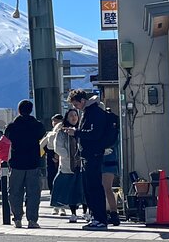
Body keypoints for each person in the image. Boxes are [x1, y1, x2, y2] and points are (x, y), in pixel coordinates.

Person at [64, 89, 108, 230]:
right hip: (88, 155)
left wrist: (76, 132)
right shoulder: (88, 112)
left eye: (76, 104)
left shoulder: (93, 112)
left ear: (82, 101)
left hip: (93, 154)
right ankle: (96, 218)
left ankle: (100, 219)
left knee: (94, 187)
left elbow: (95, 134)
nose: (76, 107)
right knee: (89, 188)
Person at [4, 99, 46, 229]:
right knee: (33, 193)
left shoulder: (12, 126)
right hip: (33, 163)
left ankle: (17, 218)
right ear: (31, 110)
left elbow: (7, 137)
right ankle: (32, 220)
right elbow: (42, 134)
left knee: (15, 192)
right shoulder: (37, 125)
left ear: (19, 110)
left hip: (17, 164)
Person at [51, 108, 86, 223]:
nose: (74, 117)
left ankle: (86, 212)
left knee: (83, 190)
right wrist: (67, 155)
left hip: (82, 165)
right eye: (71, 115)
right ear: (67, 117)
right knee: (71, 190)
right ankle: (73, 213)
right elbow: (58, 147)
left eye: (75, 115)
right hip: (68, 166)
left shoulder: (81, 130)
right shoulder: (62, 132)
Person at [41, 113, 64, 216]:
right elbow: (42, 145)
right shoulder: (49, 134)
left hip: (63, 162)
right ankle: (55, 205)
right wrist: (49, 154)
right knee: (52, 182)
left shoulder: (65, 133)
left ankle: (61, 206)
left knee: (61, 182)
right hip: (51, 161)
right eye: (54, 121)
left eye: (58, 122)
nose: (56, 124)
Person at [102, 107, 120, 226]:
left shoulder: (100, 125)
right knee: (108, 188)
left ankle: (106, 214)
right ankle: (114, 214)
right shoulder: (114, 128)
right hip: (111, 159)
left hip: (101, 160)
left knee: (103, 189)